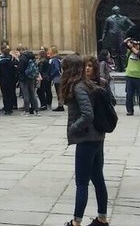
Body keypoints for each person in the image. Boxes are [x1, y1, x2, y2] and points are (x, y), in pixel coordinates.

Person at [60, 54, 110, 226]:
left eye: (64, 68)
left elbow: (88, 114)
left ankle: (76, 222)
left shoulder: (79, 87)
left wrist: (73, 128)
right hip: (96, 137)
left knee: (82, 182)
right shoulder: (87, 84)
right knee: (97, 178)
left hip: (87, 138)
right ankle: (102, 219)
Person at [98, 6, 135, 71]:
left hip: (121, 36)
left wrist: (125, 31)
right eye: (116, 10)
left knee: (122, 51)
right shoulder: (109, 19)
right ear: (113, 11)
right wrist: (103, 38)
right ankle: (116, 67)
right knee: (114, 52)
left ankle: (124, 67)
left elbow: (132, 25)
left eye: (118, 10)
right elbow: (105, 29)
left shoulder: (124, 18)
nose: (117, 11)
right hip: (112, 36)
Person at [123, 39, 140, 116]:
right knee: (129, 95)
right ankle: (130, 110)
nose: (136, 45)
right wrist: (126, 42)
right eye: (135, 44)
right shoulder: (129, 52)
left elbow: (138, 54)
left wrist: (131, 47)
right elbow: (121, 48)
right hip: (129, 75)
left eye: (137, 44)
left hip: (139, 76)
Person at [17, 48, 40, 116]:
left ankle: (27, 111)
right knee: (33, 94)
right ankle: (37, 110)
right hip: (31, 78)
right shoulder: (32, 57)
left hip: (23, 78)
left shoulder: (23, 58)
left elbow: (20, 69)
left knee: (26, 95)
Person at [0, 47, 18, 114]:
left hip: (3, 81)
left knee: (5, 95)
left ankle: (6, 108)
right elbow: (15, 72)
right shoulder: (12, 63)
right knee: (10, 94)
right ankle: (10, 108)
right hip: (11, 80)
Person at [49, 46, 64, 111]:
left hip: (57, 77)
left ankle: (60, 105)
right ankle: (61, 104)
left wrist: (52, 74)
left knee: (59, 92)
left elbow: (57, 69)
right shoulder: (59, 58)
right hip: (60, 77)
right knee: (60, 91)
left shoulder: (54, 59)